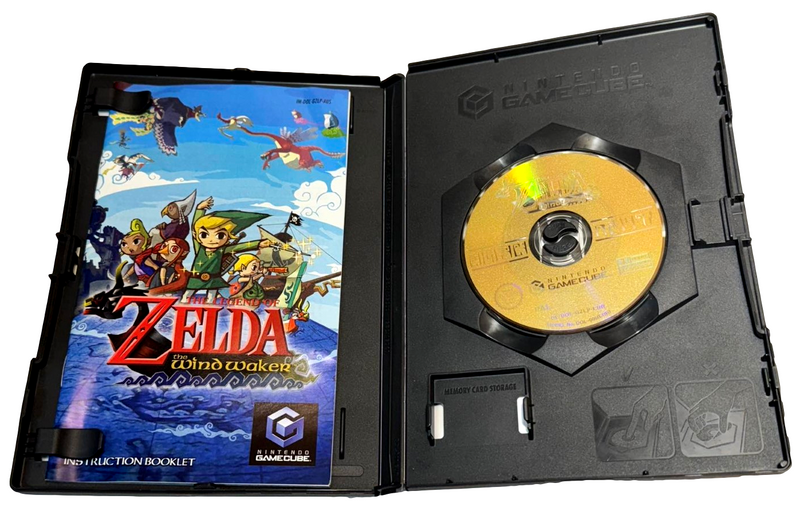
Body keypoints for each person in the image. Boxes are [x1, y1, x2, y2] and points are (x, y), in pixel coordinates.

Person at [181, 196, 271, 304]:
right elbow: (195, 226)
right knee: (185, 298)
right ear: (197, 236)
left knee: (211, 300)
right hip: (196, 279)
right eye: (204, 235)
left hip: (213, 280)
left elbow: (241, 246)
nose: (211, 240)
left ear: (228, 236)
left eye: (220, 236)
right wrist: (200, 209)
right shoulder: (199, 247)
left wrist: (258, 244)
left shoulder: (222, 250)